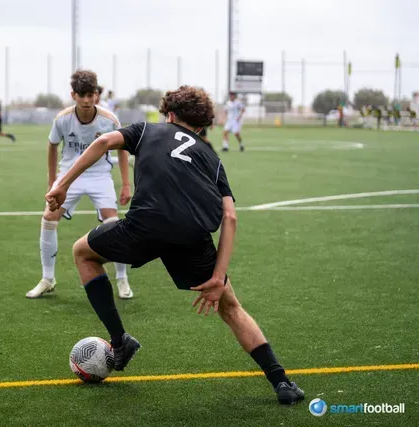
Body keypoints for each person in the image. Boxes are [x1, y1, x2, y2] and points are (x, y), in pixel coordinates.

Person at [45, 85, 305, 405]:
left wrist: (62, 184)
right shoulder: (212, 158)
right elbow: (230, 218)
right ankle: (282, 383)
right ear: (201, 125)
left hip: (144, 226)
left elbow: (102, 142)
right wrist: (218, 278)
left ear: (168, 114)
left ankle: (119, 340)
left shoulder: (146, 130)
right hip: (191, 237)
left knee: (82, 252)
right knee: (231, 308)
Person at [26, 69, 134, 300]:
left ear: (96, 95)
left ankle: (122, 279)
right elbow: (52, 146)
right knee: (48, 218)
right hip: (69, 176)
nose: (86, 100)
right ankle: (47, 279)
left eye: (91, 95)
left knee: (114, 224)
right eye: (81, 95)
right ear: (73, 95)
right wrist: (52, 181)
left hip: (99, 175)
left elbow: (123, 149)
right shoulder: (62, 119)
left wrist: (126, 184)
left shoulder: (109, 120)